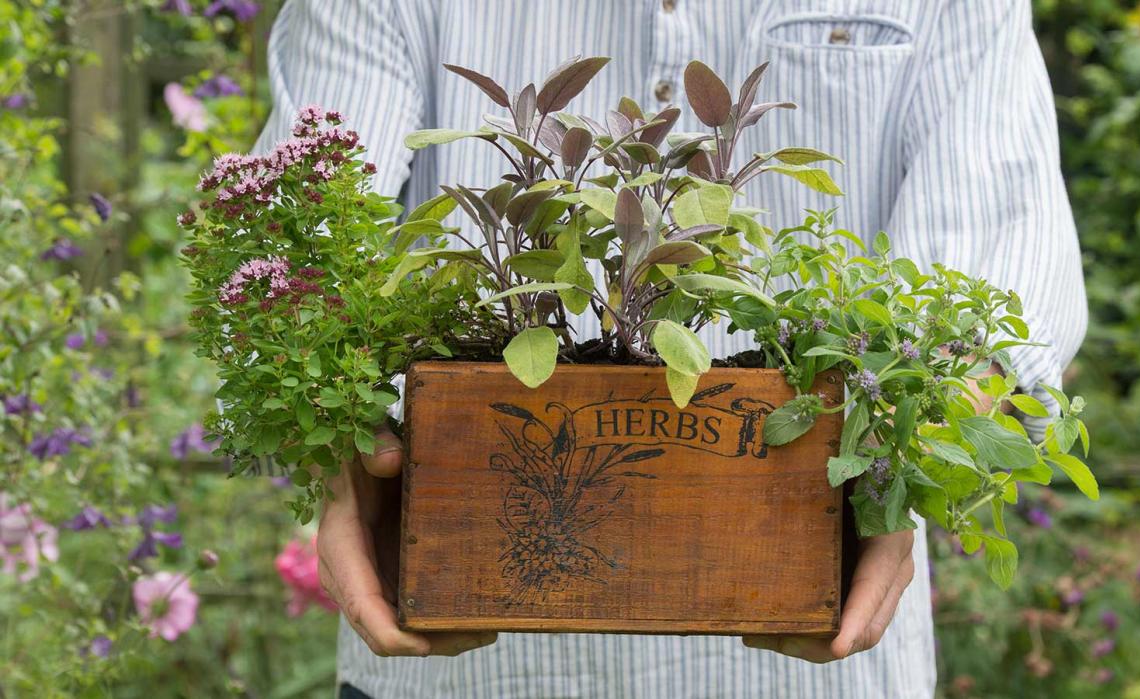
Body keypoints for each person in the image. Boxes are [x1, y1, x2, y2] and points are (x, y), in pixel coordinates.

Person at [254, 1, 1087, 697]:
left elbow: (999, 259)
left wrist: (910, 456)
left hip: (822, 669)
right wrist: (342, 456)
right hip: (447, 666)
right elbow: (301, 236)